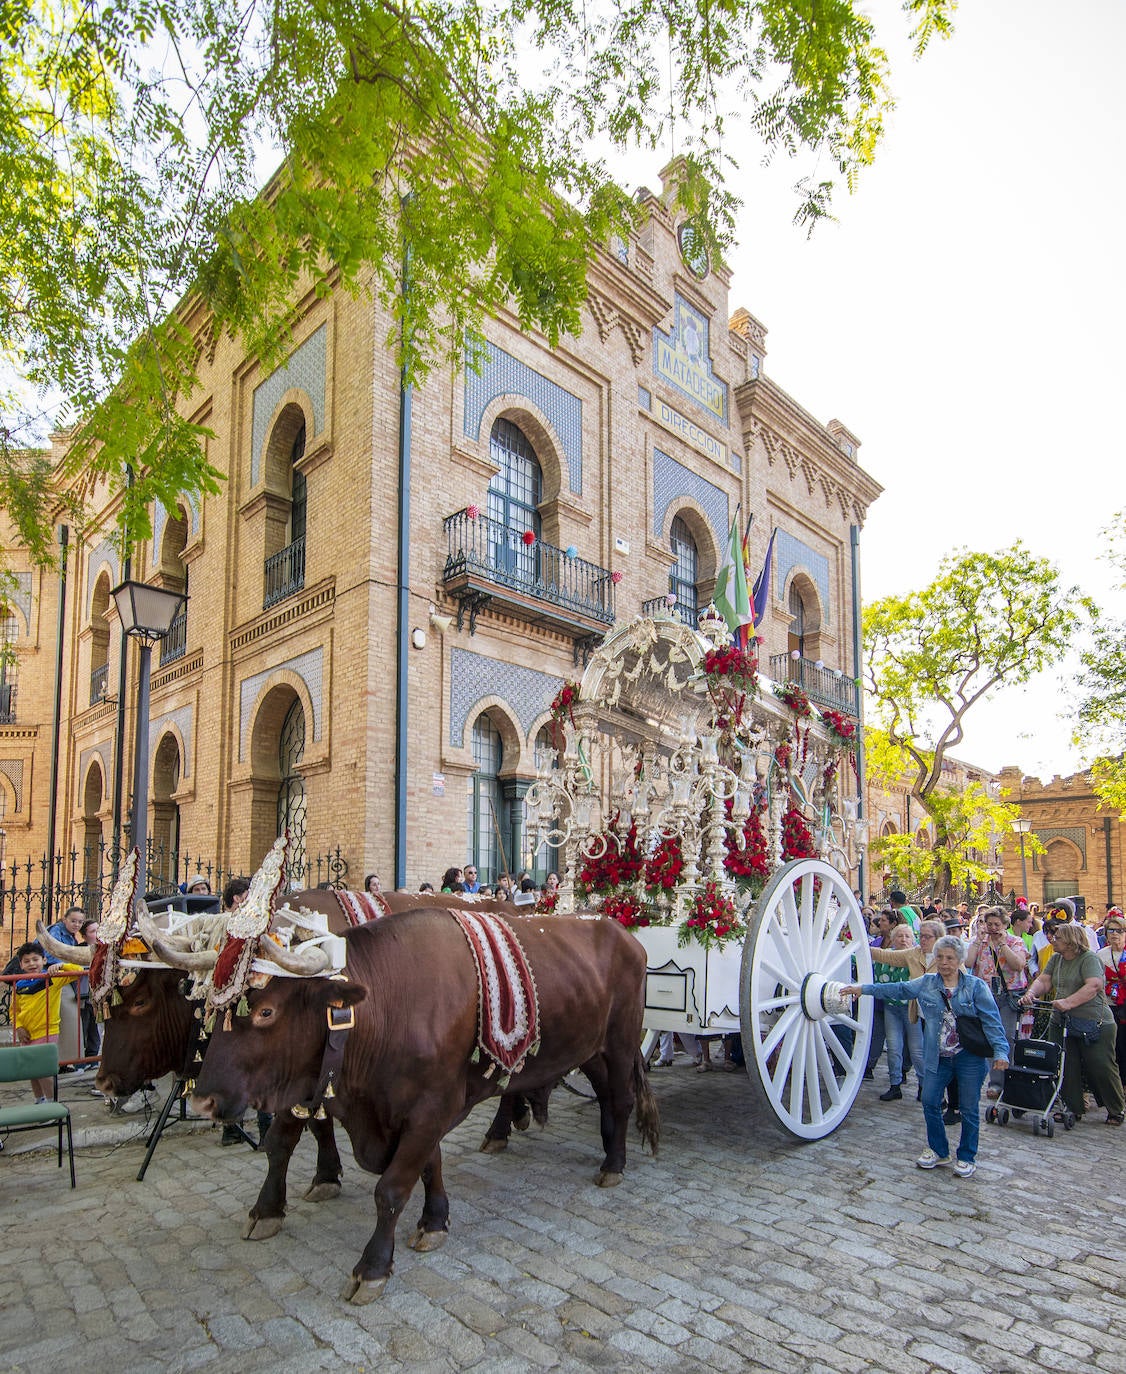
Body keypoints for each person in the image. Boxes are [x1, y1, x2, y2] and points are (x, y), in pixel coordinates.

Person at [841, 935, 1010, 1178]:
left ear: (959, 960)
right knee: (930, 1101)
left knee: (969, 1108)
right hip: (937, 1055)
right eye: (940, 957)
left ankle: (967, 1156)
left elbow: (992, 1022)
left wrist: (1001, 1051)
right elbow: (899, 988)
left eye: (950, 958)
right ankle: (940, 1150)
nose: (944, 962)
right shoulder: (928, 982)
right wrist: (863, 989)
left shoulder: (975, 987)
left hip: (968, 1057)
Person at [1021, 921, 1125, 1125]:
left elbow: (1094, 985)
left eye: (1058, 937)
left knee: (1100, 1065)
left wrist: (1068, 1002)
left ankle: (1115, 1108)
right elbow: (1044, 980)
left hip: (1094, 1021)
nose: (1053, 939)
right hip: (1062, 1020)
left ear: (1070, 941)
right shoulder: (1057, 958)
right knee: (1065, 1064)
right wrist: (1030, 994)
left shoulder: (1089, 959)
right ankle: (1072, 1107)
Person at [965, 906, 1028, 1098]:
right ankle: (995, 1082)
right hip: (986, 994)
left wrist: (1002, 945)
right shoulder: (981, 943)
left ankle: (1011, 1079)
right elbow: (968, 963)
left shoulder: (1014, 941)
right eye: (989, 923)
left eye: (996, 924)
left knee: (1007, 1038)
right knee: (991, 1037)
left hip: (1008, 995)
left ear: (1004, 925)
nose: (992, 928)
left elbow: (1018, 965)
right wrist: (977, 940)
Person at [10, 942, 84, 1102]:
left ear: (44, 960)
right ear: (21, 964)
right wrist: (18, 1027)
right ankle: (39, 1100)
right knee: (31, 1071)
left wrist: (61, 966)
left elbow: (79, 971)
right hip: (27, 1035)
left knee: (43, 1070)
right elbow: (14, 1010)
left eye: (35, 959)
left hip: (47, 1032)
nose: (31, 964)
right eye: (27, 961)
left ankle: (51, 1102)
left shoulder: (52, 979)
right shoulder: (19, 984)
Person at [870, 923, 924, 1101]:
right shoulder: (887, 957)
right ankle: (895, 1085)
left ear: (913, 939)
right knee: (894, 1048)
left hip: (911, 1007)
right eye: (900, 936)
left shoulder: (917, 956)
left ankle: (924, 1086)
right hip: (891, 1007)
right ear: (893, 939)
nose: (903, 939)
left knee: (917, 1050)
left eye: (907, 936)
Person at [1096, 914, 1126, 1089]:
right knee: (1112, 1047)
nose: (1114, 934)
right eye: (1111, 930)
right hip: (1108, 1005)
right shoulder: (1101, 955)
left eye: (1119, 930)